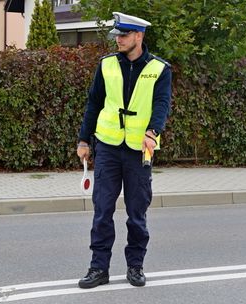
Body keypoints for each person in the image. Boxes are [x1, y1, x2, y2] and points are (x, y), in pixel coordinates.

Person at [76, 12, 172, 289]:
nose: (118, 40)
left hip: (139, 150)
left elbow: (162, 104)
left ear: (139, 36)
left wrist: (152, 133)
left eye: (124, 35)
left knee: (137, 212)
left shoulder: (159, 69)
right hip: (107, 146)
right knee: (102, 210)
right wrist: (84, 141)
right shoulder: (106, 65)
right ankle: (98, 268)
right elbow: (93, 104)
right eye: (117, 35)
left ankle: (135, 266)